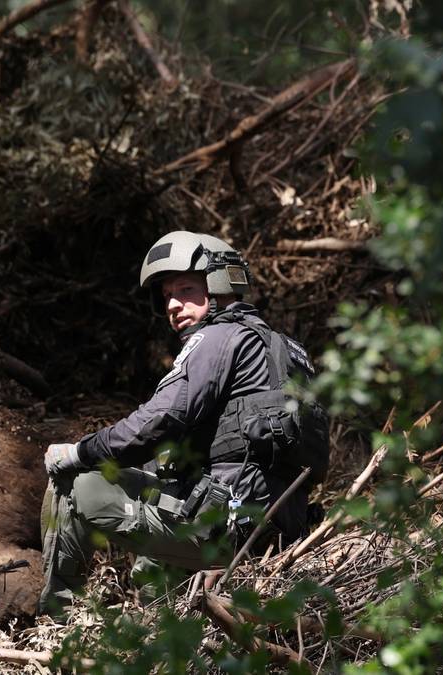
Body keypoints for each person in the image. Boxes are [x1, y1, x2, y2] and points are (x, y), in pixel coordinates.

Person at [39, 230, 328, 614]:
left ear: (221, 284)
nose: (173, 305)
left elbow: (157, 421)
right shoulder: (286, 349)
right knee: (156, 520)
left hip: (229, 529)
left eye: (186, 290)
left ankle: (57, 621)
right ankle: (161, 619)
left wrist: (79, 451)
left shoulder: (217, 337)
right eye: (166, 298)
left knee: (77, 483)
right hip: (277, 527)